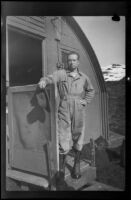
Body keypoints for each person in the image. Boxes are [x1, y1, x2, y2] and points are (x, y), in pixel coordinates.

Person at [38, 52, 95, 179]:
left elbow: (91, 91)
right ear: (67, 62)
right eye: (69, 60)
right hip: (64, 106)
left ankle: (76, 165)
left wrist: (85, 101)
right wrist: (43, 81)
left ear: (78, 62)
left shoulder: (84, 77)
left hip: (78, 108)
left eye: (74, 60)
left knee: (78, 134)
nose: (71, 62)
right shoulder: (61, 73)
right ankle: (62, 169)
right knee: (63, 134)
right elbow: (50, 78)